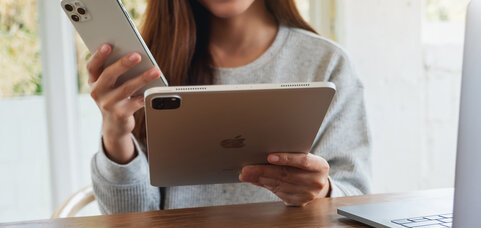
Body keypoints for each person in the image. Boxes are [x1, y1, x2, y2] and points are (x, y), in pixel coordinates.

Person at [88, 0, 371, 213]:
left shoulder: (328, 65)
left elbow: (356, 199)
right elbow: (131, 224)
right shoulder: (150, 68)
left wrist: (323, 192)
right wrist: (116, 136)